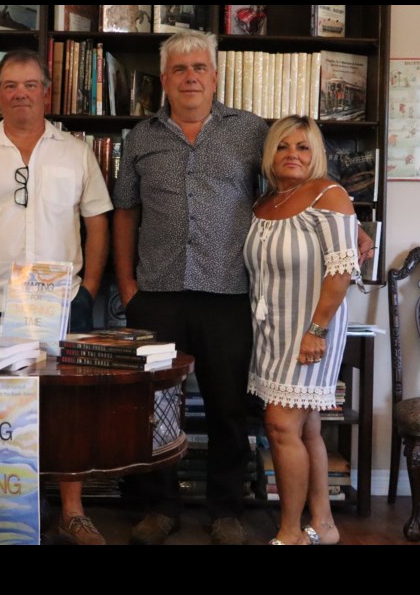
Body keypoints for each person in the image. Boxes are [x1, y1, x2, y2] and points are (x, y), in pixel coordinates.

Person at [0, 49, 113, 545]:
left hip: (63, 304)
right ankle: (8, 512)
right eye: (10, 85)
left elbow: (97, 223)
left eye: (30, 85)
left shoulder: (75, 152)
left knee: (67, 409)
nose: (20, 94)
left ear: (46, 92)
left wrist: (91, 288)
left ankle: (72, 512)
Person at [112, 30, 268, 545]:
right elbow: (125, 213)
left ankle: (227, 510)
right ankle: (160, 506)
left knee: (227, 407)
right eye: (180, 70)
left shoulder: (251, 132)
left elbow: (292, 187)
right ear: (165, 81)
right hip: (156, 294)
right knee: (156, 406)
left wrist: (342, 215)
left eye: (199, 67)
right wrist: (128, 283)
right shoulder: (141, 137)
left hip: (228, 293)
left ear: (215, 75)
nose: (190, 77)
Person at [244, 115, 358, 545]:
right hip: (271, 331)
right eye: (283, 146)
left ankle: (291, 531)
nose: (293, 155)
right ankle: (324, 524)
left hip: (311, 331)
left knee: (280, 427)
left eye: (303, 147)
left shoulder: (330, 195)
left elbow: (342, 269)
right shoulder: (263, 204)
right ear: (270, 155)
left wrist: (317, 329)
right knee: (306, 427)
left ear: (317, 155)